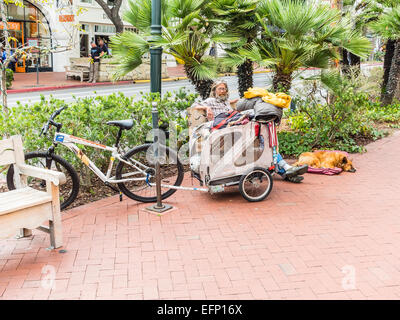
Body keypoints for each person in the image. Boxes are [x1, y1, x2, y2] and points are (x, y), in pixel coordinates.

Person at [192, 80, 308, 183]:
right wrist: (207, 108)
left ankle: (286, 172)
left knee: (264, 143)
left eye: (224, 89)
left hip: (234, 129)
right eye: (220, 89)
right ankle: (286, 170)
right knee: (261, 143)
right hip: (224, 132)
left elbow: (233, 111)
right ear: (215, 91)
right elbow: (195, 105)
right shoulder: (211, 101)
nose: (223, 91)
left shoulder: (226, 102)